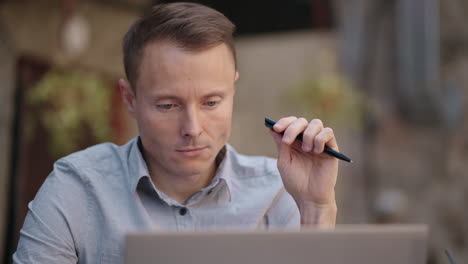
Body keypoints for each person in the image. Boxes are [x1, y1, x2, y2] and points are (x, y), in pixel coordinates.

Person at [13, 2, 339, 263]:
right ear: (130, 99)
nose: (193, 129)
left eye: (211, 102)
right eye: (168, 106)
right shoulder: (77, 190)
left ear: (232, 90)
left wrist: (317, 208)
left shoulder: (279, 191)